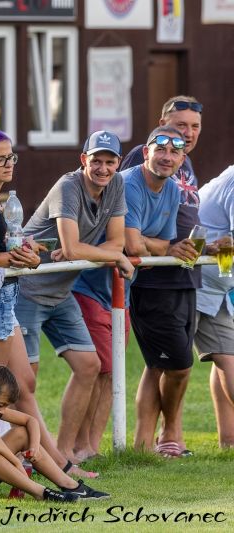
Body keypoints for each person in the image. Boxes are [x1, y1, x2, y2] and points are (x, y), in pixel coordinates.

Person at [0, 129, 92, 479]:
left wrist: (24, 251)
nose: (9, 164)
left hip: (4, 297)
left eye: (12, 157)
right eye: (1, 159)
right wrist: (20, 260)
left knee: (23, 382)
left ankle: (52, 458)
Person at [15, 131, 134, 466]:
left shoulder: (117, 186)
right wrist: (111, 256)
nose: (103, 167)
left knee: (90, 366)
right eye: (96, 160)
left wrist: (108, 253)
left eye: (110, 161)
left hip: (62, 291)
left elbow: (115, 243)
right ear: (84, 160)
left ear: (118, 164)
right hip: (28, 288)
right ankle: (28, 457)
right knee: (24, 381)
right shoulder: (68, 186)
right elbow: (72, 248)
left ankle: (65, 454)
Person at [72, 126, 183, 459]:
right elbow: (134, 245)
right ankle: (77, 447)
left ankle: (91, 448)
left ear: (181, 158)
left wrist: (147, 248)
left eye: (174, 152)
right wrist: (149, 248)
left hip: (122, 292)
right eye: (159, 150)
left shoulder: (173, 190)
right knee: (98, 369)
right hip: (89, 287)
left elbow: (162, 247)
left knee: (110, 371)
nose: (166, 157)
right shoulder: (127, 183)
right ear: (145, 153)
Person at [120, 96, 204, 456]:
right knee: (176, 363)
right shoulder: (146, 158)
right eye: (181, 125)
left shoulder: (183, 166)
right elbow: (132, 234)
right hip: (153, 279)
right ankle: (167, 437)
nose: (187, 133)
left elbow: (180, 230)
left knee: (164, 363)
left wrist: (205, 248)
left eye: (194, 127)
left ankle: (146, 445)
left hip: (184, 272)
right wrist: (164, 249)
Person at [0, 365, 108, 502]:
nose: (2, 411)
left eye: (5, 406)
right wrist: (16, 461)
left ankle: (71, 486)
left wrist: (34, 449)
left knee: (21, 433)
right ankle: (40, 492)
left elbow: (30, 421)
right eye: (0, 405)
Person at [195, 164, 234, 448]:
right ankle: (163, 439)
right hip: (197, 278)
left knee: (225, 358)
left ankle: (228, 441)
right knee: (166, 366)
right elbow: (229, 241)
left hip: (220, 281)